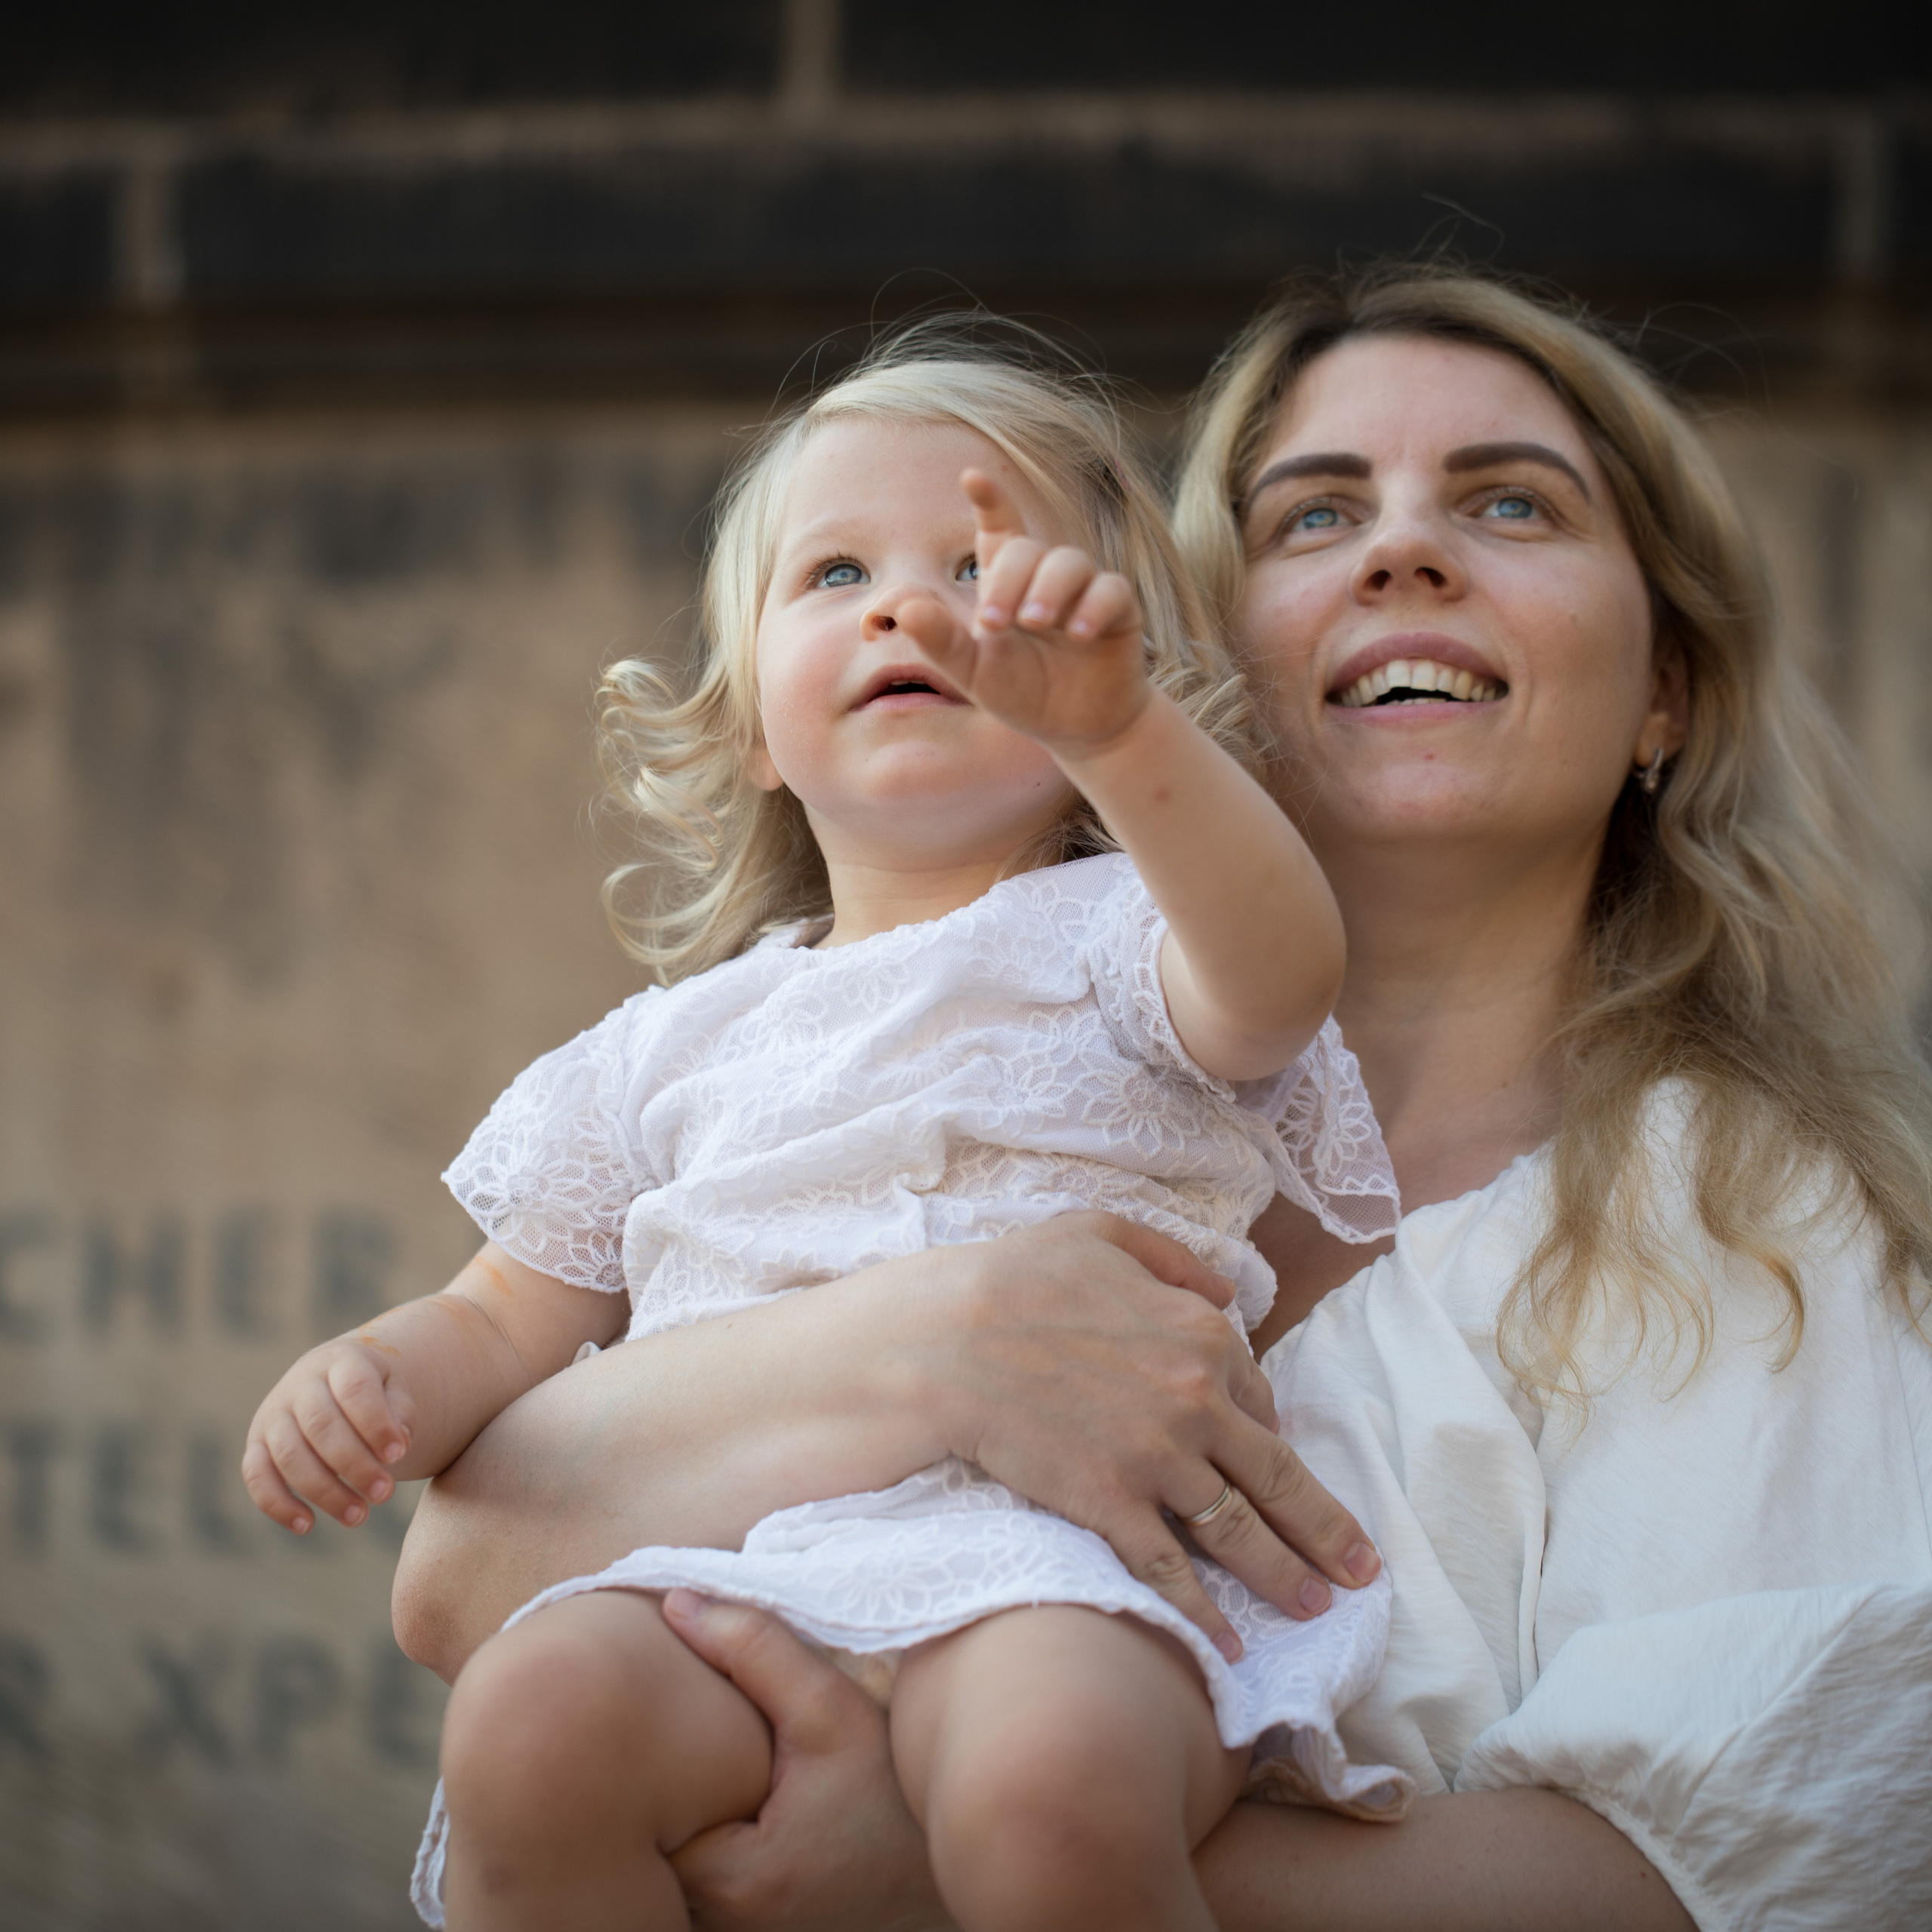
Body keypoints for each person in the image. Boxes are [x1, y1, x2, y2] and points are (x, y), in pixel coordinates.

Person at [386, 269, 1932, 1931]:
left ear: (1661, 695)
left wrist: (974, 1856)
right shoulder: (893, 1094)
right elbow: (456, 1579)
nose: (1403, 551)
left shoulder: (1740, 1214)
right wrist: (941, 1336)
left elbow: (1782, 1846)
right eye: (1314, 513)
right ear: (1187, 638)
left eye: (1509, 502)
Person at [241, 333, 1410, 1932]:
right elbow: (504, 1315)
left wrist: (1119, 733)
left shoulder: (1120, 932)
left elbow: (1279, 976)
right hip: (728, 1565)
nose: (903, 605)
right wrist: (373, 1375)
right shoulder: (664, 1047)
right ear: (742, 726)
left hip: (1055, 1557)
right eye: (837, 570)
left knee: (1048, 1792)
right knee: (528, 1726)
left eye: (980, 568)